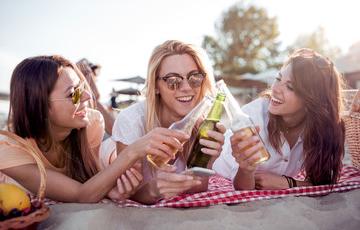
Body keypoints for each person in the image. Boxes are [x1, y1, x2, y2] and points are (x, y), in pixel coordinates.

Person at [0, 55, 190, 203]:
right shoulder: (9, 147)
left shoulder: (91, 124)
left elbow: (91, 182)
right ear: (38, 104)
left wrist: (110, 190)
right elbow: (81, 194)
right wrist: (132, 151)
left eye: (83, 87)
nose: (87, 97)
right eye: (73, 94)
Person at [109, 40, 226, 204]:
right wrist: (154, 189)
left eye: (194, 78)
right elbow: (127, 192)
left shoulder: (203, 124)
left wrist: (206, 163)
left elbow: (196, 188)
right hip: (109, 152)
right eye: (172, 80)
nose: (186, 87)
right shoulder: (131, 121)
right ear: (156, 86)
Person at [212, 48, 346, 190]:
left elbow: (324, 181)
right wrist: (246, 169)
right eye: (278, 79)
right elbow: (242, 189)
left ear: (311, 101)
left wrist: (289, 183)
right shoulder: (254, 116)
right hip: (216, 159)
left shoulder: (321, 130)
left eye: (289, 87)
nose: (275, 89)